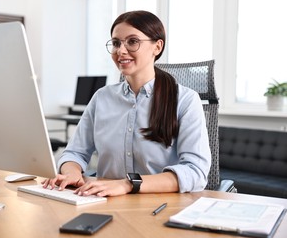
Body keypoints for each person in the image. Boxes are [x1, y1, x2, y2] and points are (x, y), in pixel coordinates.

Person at [43, 10, 211, 197]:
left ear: (157, 47)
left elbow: (195, 172)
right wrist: (72, 173)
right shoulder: (102, 98)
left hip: (160, 206)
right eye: (116, 43)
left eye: (132, 41)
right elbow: (74, 153)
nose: (121, 51)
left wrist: (128, 184)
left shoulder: (185, 100)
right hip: (103, 201)